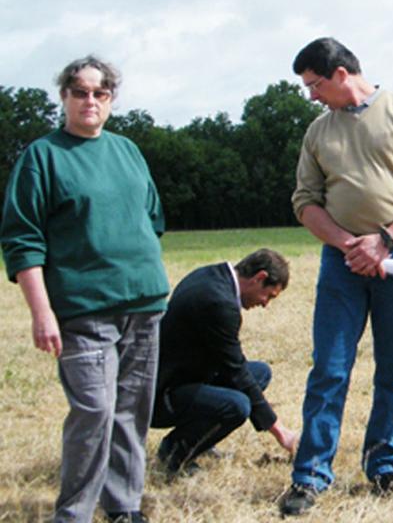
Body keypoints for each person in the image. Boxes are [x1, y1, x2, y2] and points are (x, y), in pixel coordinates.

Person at [279, 37, 393, 516]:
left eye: (313, 85)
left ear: (339, 74)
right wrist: (348, 244)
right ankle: (310, 476)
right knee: (329, 369)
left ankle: (385, 466)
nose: (311, 95)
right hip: (343, 263)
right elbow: (304, 201)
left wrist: (385, 240)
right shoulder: (317, 132)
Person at [0, 56, 170, 523]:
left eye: (100, 93)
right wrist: (41, 312)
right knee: (94, 411)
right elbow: (21, 240)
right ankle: (73, 513)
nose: (90, 101)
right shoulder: (43, 156)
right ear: (65, 97)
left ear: (111, 99)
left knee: (131, 413)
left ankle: (124, 507)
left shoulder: (127, 150)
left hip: (145, 304)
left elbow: (152, 218)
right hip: (83, 311)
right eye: (80, 92)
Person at [151, 248, 298, 475]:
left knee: (260, 373)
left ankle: (200, 441)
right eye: (268, 295)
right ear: (259, 278)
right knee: (237, 406)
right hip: (161, 395)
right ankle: (175, 453)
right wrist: (281, 433)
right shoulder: (218, 303)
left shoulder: (210, 275)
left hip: (182, 375)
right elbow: (236, 371)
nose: (265, 304)